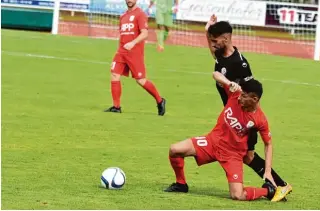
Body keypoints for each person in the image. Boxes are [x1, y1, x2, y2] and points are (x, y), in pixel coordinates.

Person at [163, 75, 291, 202]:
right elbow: (215, 74)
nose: (240, 97)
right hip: (212, 142)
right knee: (175, 150)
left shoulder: (260, 119)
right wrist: (228, 82)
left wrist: (267, 172)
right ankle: (181, 184)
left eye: (244, 96)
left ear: (254, 99)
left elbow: (268, 144)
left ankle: (268, 191)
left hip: (232, 155)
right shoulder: (235, 94)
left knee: (237, 195)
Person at [204, 14, 292, 197]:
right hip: (233, 112)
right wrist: (208, 30)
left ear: (226, 38)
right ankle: (278, 185)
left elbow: (252, 93)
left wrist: (248, 115)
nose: (212, 44)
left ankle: (280, 185)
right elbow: (213, 52)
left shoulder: (240, 63)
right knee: (246, 156)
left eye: (215, 40)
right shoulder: (221, 54)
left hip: (245, 116)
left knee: (248, 156)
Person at [105, 0, 166, 116]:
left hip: (135, 53)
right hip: (122, 51)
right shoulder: (123, 16)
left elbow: (144, 33)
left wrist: (133, 43)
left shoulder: (140, 14)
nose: (129, 1)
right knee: (114, 74)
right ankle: (116, 107)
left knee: (141, 80)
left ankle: (160, 100)